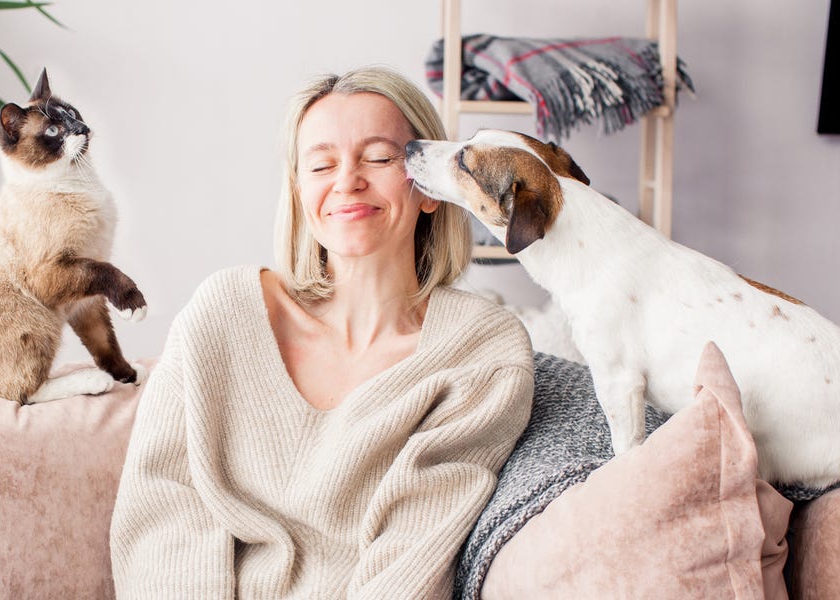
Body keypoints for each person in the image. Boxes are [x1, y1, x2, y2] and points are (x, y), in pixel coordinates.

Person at [109, 66, 534, 599]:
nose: (347, 180)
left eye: (379, 158)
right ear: (300, 192)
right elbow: (163, 513)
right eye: (321, 164)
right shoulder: (223, 315)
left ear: (429, 186)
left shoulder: (480, 351)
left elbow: (414, 555)